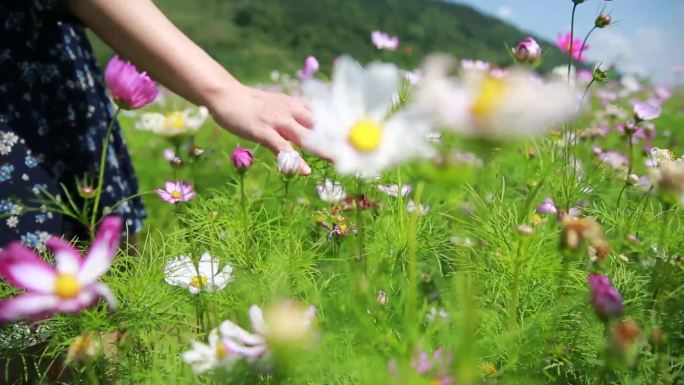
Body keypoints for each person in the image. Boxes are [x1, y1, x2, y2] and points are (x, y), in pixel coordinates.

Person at [0, 0, 315, 248]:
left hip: (50, 108)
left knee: (96, 299)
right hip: (33, 123)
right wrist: (225, 92)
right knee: (55, 297)